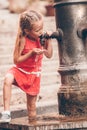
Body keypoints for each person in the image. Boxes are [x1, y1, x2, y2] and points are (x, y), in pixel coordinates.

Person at [0, 10, 53, 123]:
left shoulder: (42, 38)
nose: (41, 32)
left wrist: (49, 40)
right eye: (37, 30)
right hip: (20, 70)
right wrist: (31, 53)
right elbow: (16, 60)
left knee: (32, 107)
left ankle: (32, 123)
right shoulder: (23, 39)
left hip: (34, 74)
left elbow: (49, 55)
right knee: (7, 79)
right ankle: (6, 112)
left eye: (42, 28)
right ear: (27, 31)